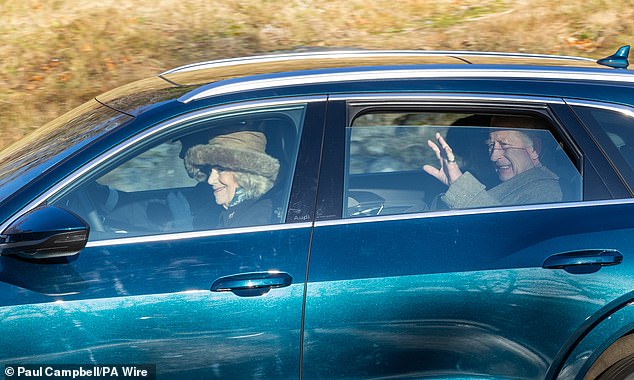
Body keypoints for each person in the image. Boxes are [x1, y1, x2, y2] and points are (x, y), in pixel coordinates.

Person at [423, 116, 562, 209]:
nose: (493, 157)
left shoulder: (544, 193)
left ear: (534, 149)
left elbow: (505, 234)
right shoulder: (504, 181)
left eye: (504, 145)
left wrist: (460, 186)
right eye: (490, 146)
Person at [185, 131, 280, 228]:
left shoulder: (257, 218)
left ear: (245, 175)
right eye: (210, 170)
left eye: (221, 170)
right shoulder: (221, 210)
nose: (210, 180)